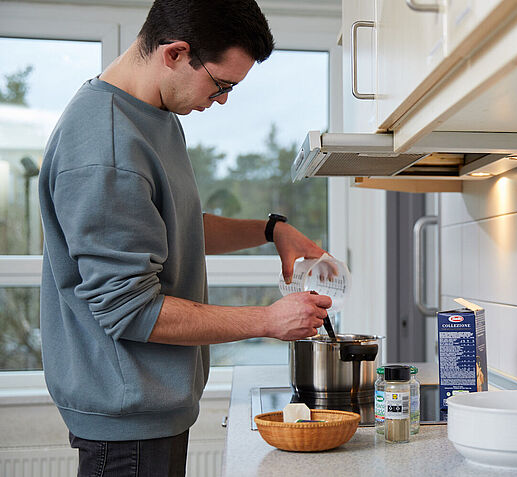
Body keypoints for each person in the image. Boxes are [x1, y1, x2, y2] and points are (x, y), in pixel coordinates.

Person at [37, 1, 332, 475]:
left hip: (150, 408)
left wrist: (272, 230)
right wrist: (266, 320)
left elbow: (174, 224)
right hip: (127, 424)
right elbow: (131, 309)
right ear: (175, 53)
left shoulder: (153, 116)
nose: (222, 100)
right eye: (221, 85)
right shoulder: (107, 144)